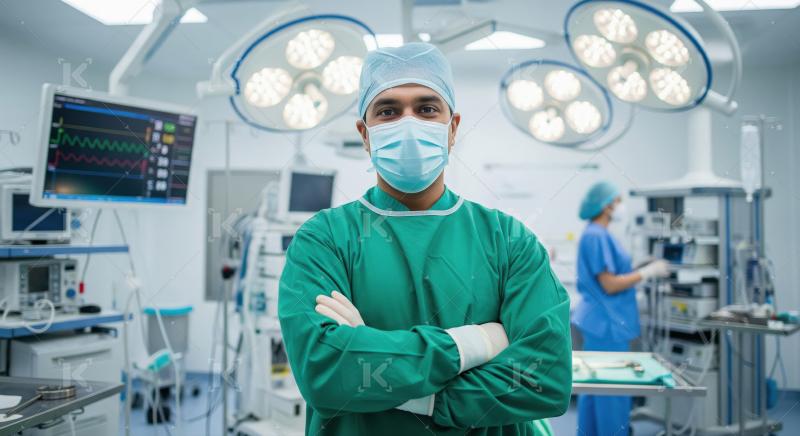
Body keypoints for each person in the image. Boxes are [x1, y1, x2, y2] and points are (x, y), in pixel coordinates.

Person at [278, 42, 571, 436]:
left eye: (427, 109)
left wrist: (380, 362)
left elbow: (544, 379)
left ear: (453, 128)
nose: (409, 122)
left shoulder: (509, 240)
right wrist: (476, 343)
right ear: (365, 134)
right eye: (388, 111)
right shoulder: (324, 239)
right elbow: (326, 374)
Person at [572, 181, 670, 436]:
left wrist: (637, 268)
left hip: (600, 322)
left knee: (594, 388)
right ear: (606, 206)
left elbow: (612, 274)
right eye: (617, 201)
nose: (620, 206)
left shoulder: (596, 234)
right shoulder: (597, 235)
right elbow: (610, 284)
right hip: (608, 325)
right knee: (612, 391)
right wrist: (647, 272)